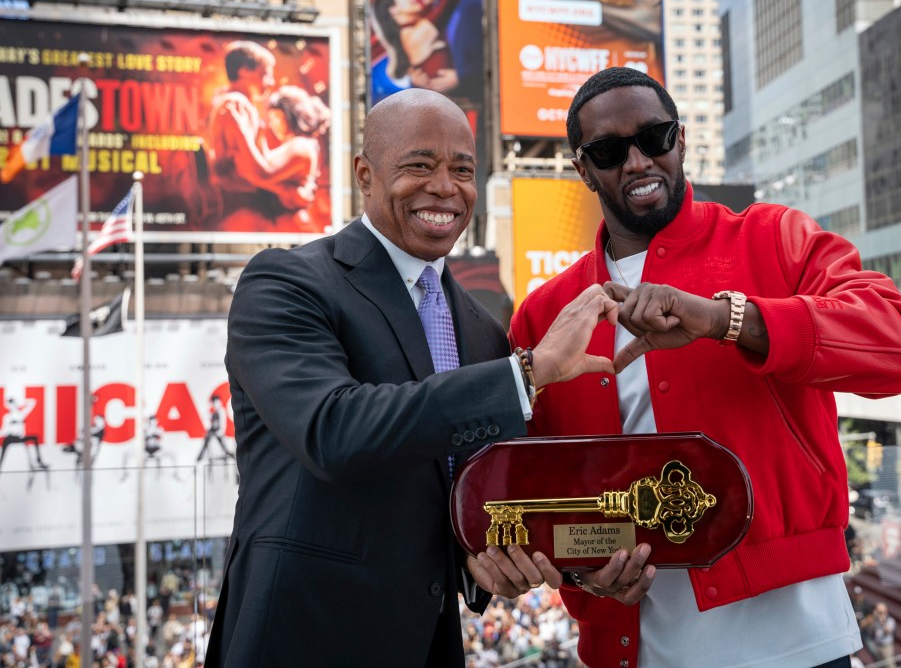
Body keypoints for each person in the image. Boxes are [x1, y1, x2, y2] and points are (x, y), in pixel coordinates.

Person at [508, 67, 901, 667]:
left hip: (801, 638)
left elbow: (899, 342)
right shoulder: (544, 314)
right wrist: (582, 574)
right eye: (608, 151)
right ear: (583, 169)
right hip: (632, 647)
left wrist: (726, 319)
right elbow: (539, 492)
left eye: (654, 138)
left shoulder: (774, 237)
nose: (637, 162)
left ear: (680, 139)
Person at [205, 88, 617, 666]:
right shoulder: (286, 283)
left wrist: (550, 561)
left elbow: (474, 497)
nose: (445, 187)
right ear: (365, 175)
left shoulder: (482, 330)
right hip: (300, 638)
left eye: (462, 170)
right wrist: (528, 373)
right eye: (420, 165)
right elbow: (334, 431)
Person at [206, 41, 312, 231]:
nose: (270, 82)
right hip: (240, 210)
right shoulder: (237, 104)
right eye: (266, 74)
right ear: (244, 71)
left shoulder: (237, 103)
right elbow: (250, 171)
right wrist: (287, 191)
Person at [0, 395, 48, 472]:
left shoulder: (21, 414)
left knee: (35, 437)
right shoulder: (7, 417)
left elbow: (32, 402)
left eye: (13, 404)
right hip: (10, 437)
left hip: (20, 437)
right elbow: (4, 431)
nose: (12, 406)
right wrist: (10, 427)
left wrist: (21, 402)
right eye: (10, 404)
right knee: (5, 443)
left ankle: (39, 461)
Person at [195, 395, 233, 463]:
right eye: (214, 403)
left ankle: (230, 455)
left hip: (218, 431)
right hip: (213, 430)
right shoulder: (214, 412)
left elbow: (223, 421)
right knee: (206, 441)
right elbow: (207, 419)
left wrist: (221, 431)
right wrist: (208, 407)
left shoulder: (221, 410)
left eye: (216, 402)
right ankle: (199, 458)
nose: (215, 404)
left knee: (224, 447)